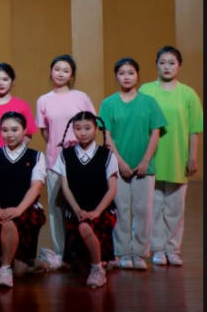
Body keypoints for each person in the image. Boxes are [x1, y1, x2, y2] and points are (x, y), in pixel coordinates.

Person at [140, 46, 202, 267]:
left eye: (172, 62)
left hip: (177, 156)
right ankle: (158, 249)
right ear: (156, 64)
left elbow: (194, 129)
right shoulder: (146, 90)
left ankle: (173, 249)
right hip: (153, 157)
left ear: (179, 66)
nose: (167, 67)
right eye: (163, 62)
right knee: (155, 206)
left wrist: (192, 157)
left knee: (175, 207)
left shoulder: (188, 94)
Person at [101, 57, 165, 270]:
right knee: (120, 210)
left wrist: (145, 160)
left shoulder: (149, 102)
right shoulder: (108, 103)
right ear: (116, 76)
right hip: (117, 167)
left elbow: (155, 132)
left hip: (145, 168)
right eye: (122, 73)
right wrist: (120, 162)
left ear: (138, 75)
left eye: (131, 73)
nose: (126, 77)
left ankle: (139, 253)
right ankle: (122, 253)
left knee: (144, 211)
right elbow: (106, 136)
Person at [36, 54, 96, 267]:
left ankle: (84, 250)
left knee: (82, 203)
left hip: (81, 159)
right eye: (57, 69)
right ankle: (61, 252)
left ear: (71, 75)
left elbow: (91, 125)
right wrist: (56, 145)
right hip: (55, 159)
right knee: (57, 206)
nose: (60, 73)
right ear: (50, 71)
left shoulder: (81, 97)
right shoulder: (43, 100)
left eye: (66, 70)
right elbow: (45, 130)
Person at [53, 112, 119, 289]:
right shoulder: (66, 155)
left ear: (96, 129)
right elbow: (65, 187)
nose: (82, 132)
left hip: (101, 211)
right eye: (78, 128)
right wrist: (77, 210)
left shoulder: (107, 155)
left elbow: (112, 189)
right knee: (78, 266)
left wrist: (97, 211)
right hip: (77, 211)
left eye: (87, 128)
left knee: (85, 227)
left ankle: (98, 269)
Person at [0, 112, 47, 289]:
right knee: (7, 221)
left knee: (20, 271)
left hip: (27, 210)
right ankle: (5, 268)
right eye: (4, 130)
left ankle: (41, 262)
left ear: (25, 130)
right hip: (2, 210)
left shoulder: (36, 156)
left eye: (14, 129)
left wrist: (18, 210)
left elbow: (35, 187)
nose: (9, 134)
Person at [0, 63, 37, 156]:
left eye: (5, 79)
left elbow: (28, 134)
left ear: (13, 81)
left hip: (13, 157)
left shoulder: (22, 106)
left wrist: (16, 151)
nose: (0, 83)